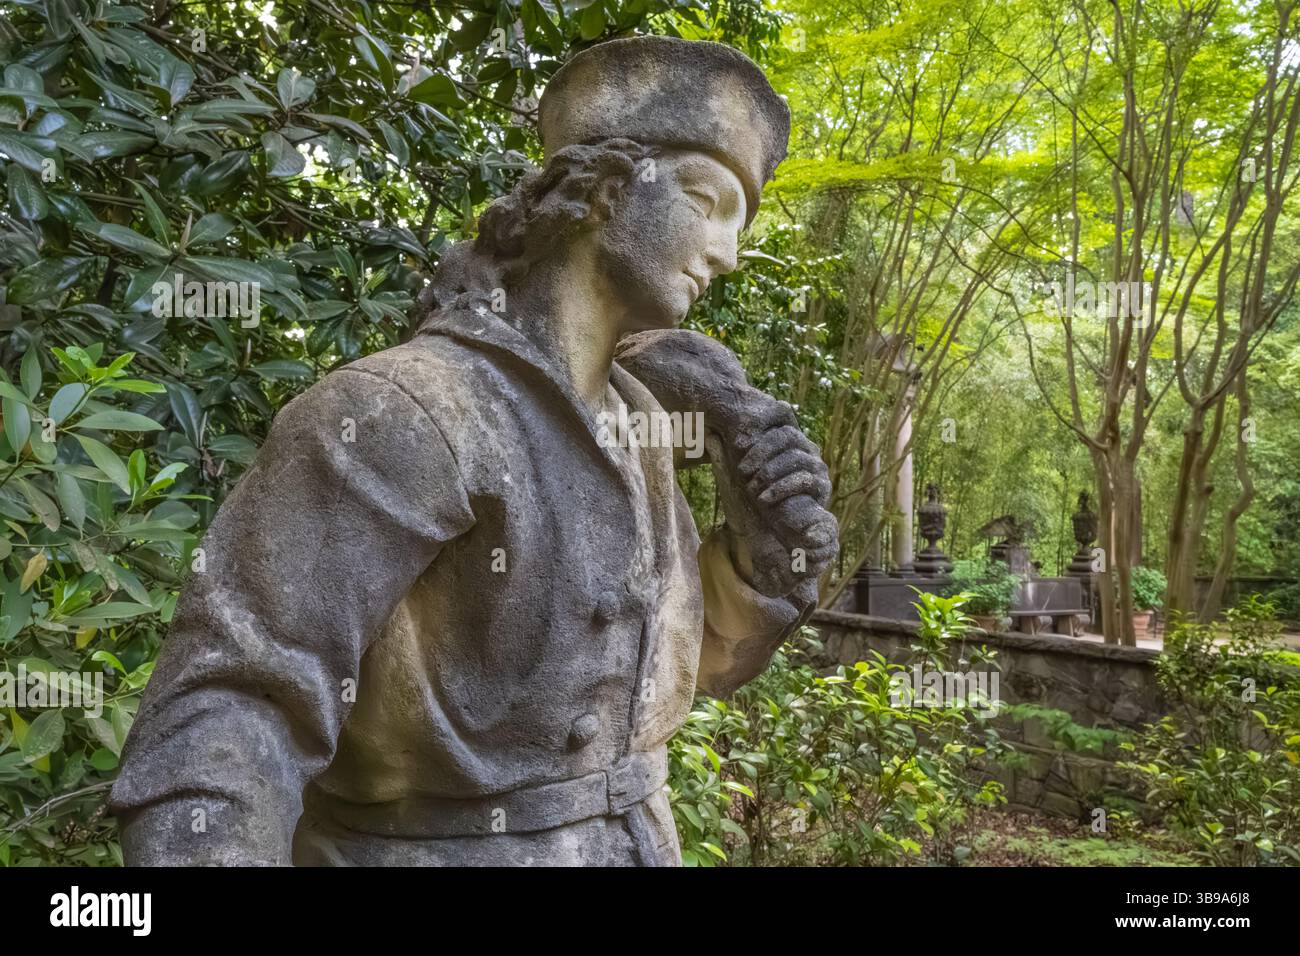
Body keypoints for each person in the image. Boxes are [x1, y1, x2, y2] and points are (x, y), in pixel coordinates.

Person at [111, 35, 837, 866]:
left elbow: (660, 673)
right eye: (706, 202)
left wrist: (762, 549)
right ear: (603, 190)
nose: (726, 254)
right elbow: (235, 713)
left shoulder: (642, 428)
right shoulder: (405, 413)